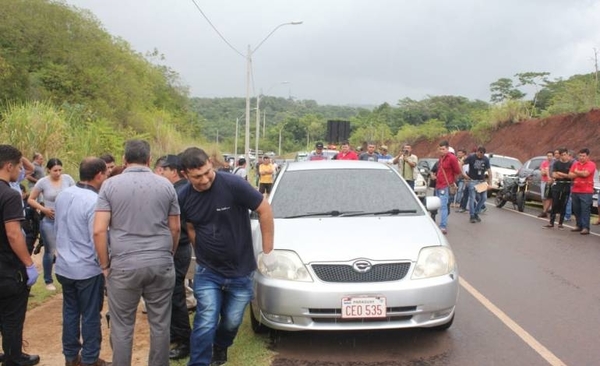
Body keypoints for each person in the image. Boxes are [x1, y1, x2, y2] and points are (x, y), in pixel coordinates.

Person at [178, 147, 274, 366]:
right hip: (208, 271)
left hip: (241, 270)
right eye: (197, 176)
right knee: (206, 320)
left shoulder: (233, 185)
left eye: (207, 172)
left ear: (211, 164)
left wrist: (268, 252)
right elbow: (190, 227)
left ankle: (220, 346)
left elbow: (264, 209)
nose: (204, 180)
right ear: (185, 175)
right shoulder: (183, 197)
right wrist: (201, 253)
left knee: (231, 322)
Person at [93, 140, 180, 366]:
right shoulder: (166, 186)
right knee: (160, 323)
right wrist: (168, 254)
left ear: (124, 159)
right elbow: (175, 228)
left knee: (122, 325)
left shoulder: (110, 186)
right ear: (149, 160)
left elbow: (99, 230)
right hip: (160, 260)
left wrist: (104, 265)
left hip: (123, 263)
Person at [54, 158, 110, 366]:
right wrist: (105, 265)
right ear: (98, 175)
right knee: (90, 315)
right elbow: (96, 235)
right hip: (87, 268)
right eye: (105, 174)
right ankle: (90, 358)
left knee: (70, 311)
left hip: (64, 265)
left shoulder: (64, 194)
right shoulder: (95, 200)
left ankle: (71, 357)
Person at [0, 144, 40, 366]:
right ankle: (14, 358)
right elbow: (14, 234)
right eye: (17, 166)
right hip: (7, 266)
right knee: (12, 316)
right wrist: (28, 263)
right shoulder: (9, 195)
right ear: (8, 166)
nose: (19, 171)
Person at [158, 155, 192, 360]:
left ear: (172, 170)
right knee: (172, 293)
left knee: (175, 294)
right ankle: (176, 333)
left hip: (178, 247)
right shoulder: (180, 189)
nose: (159, 174)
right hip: (180, 246)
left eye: (162, 170)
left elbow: (175, 226)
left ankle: (184, 340)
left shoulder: (178, 192)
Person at [27, 158, 75, 291]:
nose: (58, 173)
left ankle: (68, 276)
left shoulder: (67, 179)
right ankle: (48, 279)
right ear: (48, 170)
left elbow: (75, 194)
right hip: (50, 219)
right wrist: (43, 209)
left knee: (68, 248)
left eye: (60, 170)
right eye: (55, 170)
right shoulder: (43, 182)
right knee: (50, 251)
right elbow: (31, 199)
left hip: (66, 220)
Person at [435, 141, 462, 235]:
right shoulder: (441, 157)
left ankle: (443, 226)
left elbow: (457, 171)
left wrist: (451, 181)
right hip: (438, 184)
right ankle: (436, 223)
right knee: (436, 205)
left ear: (447, 148)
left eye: (443, 149)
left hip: (445, 186)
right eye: (440, 149)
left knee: (443, 206)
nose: (441, 151)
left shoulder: (452, 158)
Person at [567, 148, 596, 235]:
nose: (581, 157)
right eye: (580, 156)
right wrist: (579, 172)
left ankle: (585, 227)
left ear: (588, 156)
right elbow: (570, 175)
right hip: (575, 190)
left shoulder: (591, 164)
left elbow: (585, 174)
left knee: (585, 209)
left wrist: (576, 172)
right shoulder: (576, 164)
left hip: (586, 191)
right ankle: (578, 225)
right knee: (576, 209)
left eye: (583, 156)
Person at [543, 148, 573, 229]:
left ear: (567, 154)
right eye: (562, 155)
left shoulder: (571, 164)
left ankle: (560, 223)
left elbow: (570, 176)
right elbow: (554, 175)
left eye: (565, 154)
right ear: (560, 155)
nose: (564, 156)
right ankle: (551, 222)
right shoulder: (556, 163)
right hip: (557, 185)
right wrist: (564, 175)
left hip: (566, 185)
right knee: (555, 203)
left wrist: (560, 174)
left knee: (564, 204)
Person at [463, 146, 492, 223]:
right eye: (478, 154)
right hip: (472, 180)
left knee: (484, 198)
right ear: (477, 151)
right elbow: (461, 163)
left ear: (484, 154)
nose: (479, 156)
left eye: (481, 155)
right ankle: (472, 215)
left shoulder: (486, 159)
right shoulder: (471, 157)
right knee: (472, 198)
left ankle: (476, 212)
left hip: (481, 181)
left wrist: (490, 183)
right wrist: (464, 175)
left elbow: (489, 171)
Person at [538, 151, 554, 218]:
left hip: (551, 182)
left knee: (549, 196)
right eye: (548, 155)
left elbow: (553, 173)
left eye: (551, 155)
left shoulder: (554, 163)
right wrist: (546, 171)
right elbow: (542, 173)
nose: (549, 157)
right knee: (543, 196)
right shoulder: (544, 163)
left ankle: (546, 210)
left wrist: (546, 171)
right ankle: (544, 210)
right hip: (544, 181)